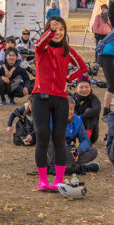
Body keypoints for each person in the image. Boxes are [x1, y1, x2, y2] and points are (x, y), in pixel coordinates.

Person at [31, 16, 88, 191]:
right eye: (55, 29)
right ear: (49, 30)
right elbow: (39, 44)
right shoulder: (42, 48)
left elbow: (83, 67)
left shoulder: (67, 50)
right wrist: (50, 31)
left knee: (59, 139)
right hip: (40, 97)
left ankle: (58, 180)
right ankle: (42, 180)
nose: (58, 32)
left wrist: (68, 79)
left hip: (60, 99)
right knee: (42, 137)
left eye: (62, 29)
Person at [55, 98, 100, 174]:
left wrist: (78, 151)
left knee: (93, 151)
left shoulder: (77, 120)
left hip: (72, 153)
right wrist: (68, 151)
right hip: (58, 151)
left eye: (71, 109)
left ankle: (71, 165)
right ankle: (81, 167)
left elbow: (86, 140)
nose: (69, 112)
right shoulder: (54, 120)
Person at [71, 78, 101, 143]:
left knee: (90, 111)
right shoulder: (72, 98)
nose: (84, 90)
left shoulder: (93, 98)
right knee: (72, 112)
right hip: (74, 128)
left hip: (91, 131)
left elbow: (97, 110)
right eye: (81, 87)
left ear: (90, 88)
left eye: (87, 87)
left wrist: (81, 117)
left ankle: (86, 137)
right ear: (76, 89)